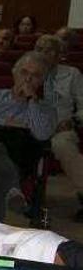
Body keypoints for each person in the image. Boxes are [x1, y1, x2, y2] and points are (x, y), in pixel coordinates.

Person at [0, 51, 57, 221]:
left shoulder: (46, 109)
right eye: (24, 72)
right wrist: (6, 122)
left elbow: (42, 134)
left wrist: (32, 102)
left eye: (35, 76)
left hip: (20, 158)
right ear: (14, 73)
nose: (28, 79)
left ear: (42, 81)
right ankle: (12, 190)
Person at [36, 35, 83, 220]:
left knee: (63, 145)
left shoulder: (72, 74)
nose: (42, 54)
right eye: (39, 49)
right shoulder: (26, 70)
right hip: (30, 126)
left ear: (58, 55)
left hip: (61, 127)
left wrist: (74, 120)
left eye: (48, 50)